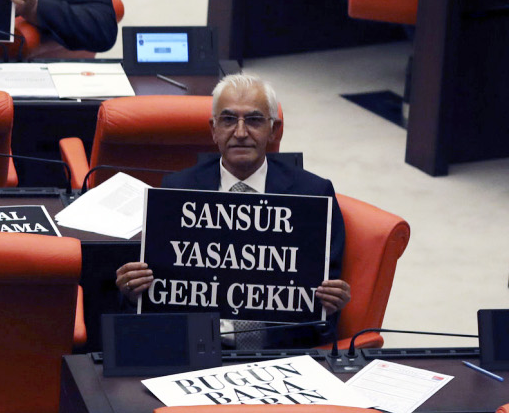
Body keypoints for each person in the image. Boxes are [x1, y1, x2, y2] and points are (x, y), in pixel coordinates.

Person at [113, 74, 351, 349]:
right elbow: (158, 298)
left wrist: (330, 306)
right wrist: (133, 293)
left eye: (254, 120)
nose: (240, 133)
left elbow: (323, 312)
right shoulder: (178, 190)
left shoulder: (312, 195)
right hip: (197, 350)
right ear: (213, 129)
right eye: (228, 120)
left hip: (282, 353)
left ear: (273, 130)